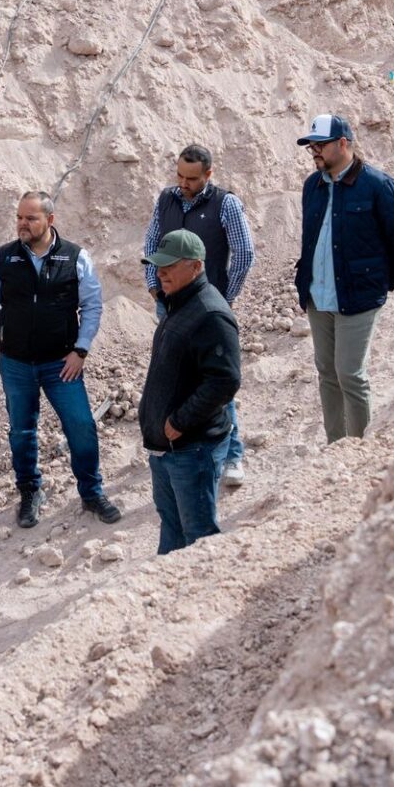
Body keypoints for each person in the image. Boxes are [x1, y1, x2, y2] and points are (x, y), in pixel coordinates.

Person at [0, 191, 122, 528]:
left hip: (61, 363)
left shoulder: (75, 257)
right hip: (16, 363)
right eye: (20, 217)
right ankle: (30, 492)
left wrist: (80, 350)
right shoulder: (3, 258)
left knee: (81, 425)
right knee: (21, 431)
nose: (23, 224)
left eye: (31, 218)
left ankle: (92, 493)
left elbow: (93, 305)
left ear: (49, 220)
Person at [294, 113, 394, 443]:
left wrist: (380, 282)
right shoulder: (313, 186)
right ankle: (336, 448)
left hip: (358, 297)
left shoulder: (378, 186)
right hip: (318, 296)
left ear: (343, 144)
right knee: (327, 374)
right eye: (312, 147)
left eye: (320, 146)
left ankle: (360, 449)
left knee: (350, 374)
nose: (315, 152)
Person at [142, 144, 255, 487]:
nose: (184, 183)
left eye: (192, 178)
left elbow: (245, 253)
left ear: (209, 174)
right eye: (180, 175)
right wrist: (153, 284)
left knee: (214, 381)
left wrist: (223, 297)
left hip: (206, 310)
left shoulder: (225, 204)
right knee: (172, 376)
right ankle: (172, 442)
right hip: (171, 306)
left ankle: (233, 454)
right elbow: (151, 244)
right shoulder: (167, 199)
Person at [138, 230, 241, 555]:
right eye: (158, 265)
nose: (160, 272)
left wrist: (180, 421)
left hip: (191, 449)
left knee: (198, 539)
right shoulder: (179, 305)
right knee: (172, 527)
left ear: (195, 267)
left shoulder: (210, 315)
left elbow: (224, 381)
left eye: (169, 266)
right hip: (167, 449)